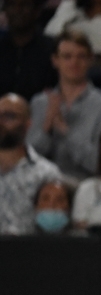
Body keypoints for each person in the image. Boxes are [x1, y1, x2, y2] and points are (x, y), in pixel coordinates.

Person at [27, 31, 101, 182]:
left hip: (85, 186)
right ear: (55, 60)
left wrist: (65, 131)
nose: (74, 63)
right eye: (67, 56)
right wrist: (46, 127)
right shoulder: (40, 103)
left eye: (81, 56)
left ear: (90, 60)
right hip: (42, 187)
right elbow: (27, 160)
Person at [0, 93, 62, 235]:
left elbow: (53, 229)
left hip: (30, 252)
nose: (1, 122)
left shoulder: (46, 173)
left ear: (28, 124)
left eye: (9, 116)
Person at [1, 0, 58, 101]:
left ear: (37, 10)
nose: (17, 10)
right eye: (11, 4)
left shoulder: (52, 49)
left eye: (24, 5)